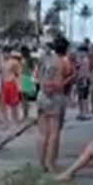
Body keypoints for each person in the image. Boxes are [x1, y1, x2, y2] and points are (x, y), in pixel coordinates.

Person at [36, 36, 69, 172]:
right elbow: (59, 83)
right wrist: (70, 79)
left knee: (42, 133)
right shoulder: (61, 63)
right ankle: (51, 162)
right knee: (54, 133)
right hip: (55, 97)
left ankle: (41, 162)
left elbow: (38, 77)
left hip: (42, 95)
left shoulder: (44, 59)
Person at [0, 46, 21, 125]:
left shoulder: (14, 62)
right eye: (3, 53)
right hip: (3, 83)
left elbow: (18, 73)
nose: (4, 55)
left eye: (6, 53)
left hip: (11, 82)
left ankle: (15, 119)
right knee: (3, 103)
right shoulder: (1, 62)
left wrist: (18, 84)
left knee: (14, 103)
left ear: (9, 53)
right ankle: (5, 120)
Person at [18, 45, 36, 121]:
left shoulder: (27, 59)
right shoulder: (26, 59)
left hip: (26, 78)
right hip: (25, 78)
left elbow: (32, 69)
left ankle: (25, 114)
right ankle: (25, 114)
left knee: (24, 98)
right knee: (24, 98)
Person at [75, 42, 92, 120]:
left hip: (83, 79)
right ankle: (81, 113)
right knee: (80, 97)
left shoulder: (85, 59)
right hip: (80, 79)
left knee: (84, 97)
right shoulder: (80, 60)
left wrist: (86, 80)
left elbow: (86, 71)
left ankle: (84, 113)